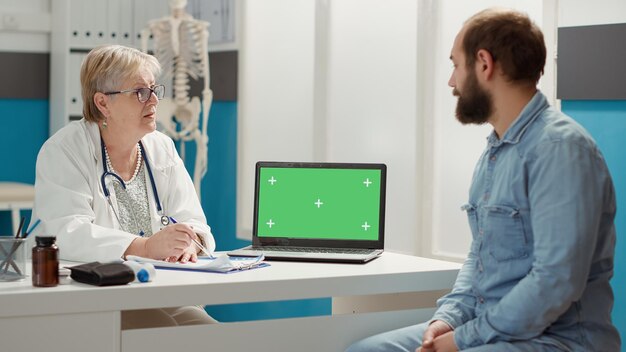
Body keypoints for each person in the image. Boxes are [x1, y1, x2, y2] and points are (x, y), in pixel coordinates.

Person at [346, 8, 620, 352]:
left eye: (455, 65)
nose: (451, 81)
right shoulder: (497, 150)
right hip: (491, 327)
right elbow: (480, 256)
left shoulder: (561, 149)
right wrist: (447, 319)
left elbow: (555, 282)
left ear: (483, 63)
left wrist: (462, 339)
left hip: (558, 340)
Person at [32, 44, 217, 328]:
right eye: (141, 92)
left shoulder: (161, 147)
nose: (154, 101)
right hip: (95, 297)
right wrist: (144, 246)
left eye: (155, 89)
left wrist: (190, 243)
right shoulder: (64, 150)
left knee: (211, 334)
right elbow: (64, 233)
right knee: (164, 333)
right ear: (103, 103)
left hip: (159, 289)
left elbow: (194, 222)